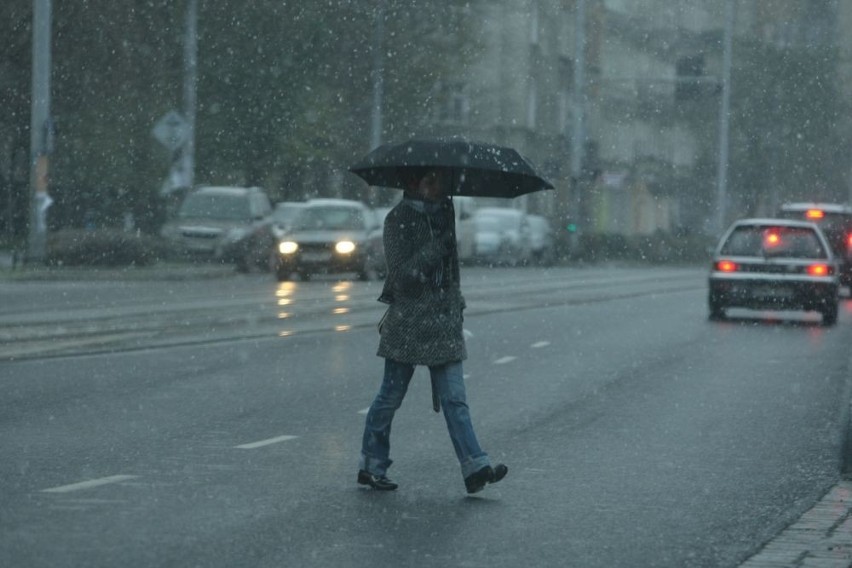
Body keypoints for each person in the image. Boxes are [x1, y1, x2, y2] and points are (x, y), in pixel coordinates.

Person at [357, 168, 508, 494]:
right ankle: (371, 464)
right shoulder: (397, 219)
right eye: (432, 181)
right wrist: (436, 248)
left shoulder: (445, 212)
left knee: (455, 399)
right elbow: (402, 277)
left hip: (443, 322)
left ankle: (476, 467)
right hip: (409, 323)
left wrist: (458, 301)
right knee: (390, 397)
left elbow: (450, 272)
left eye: (442, 181)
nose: (440, 187)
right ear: (414, 183)